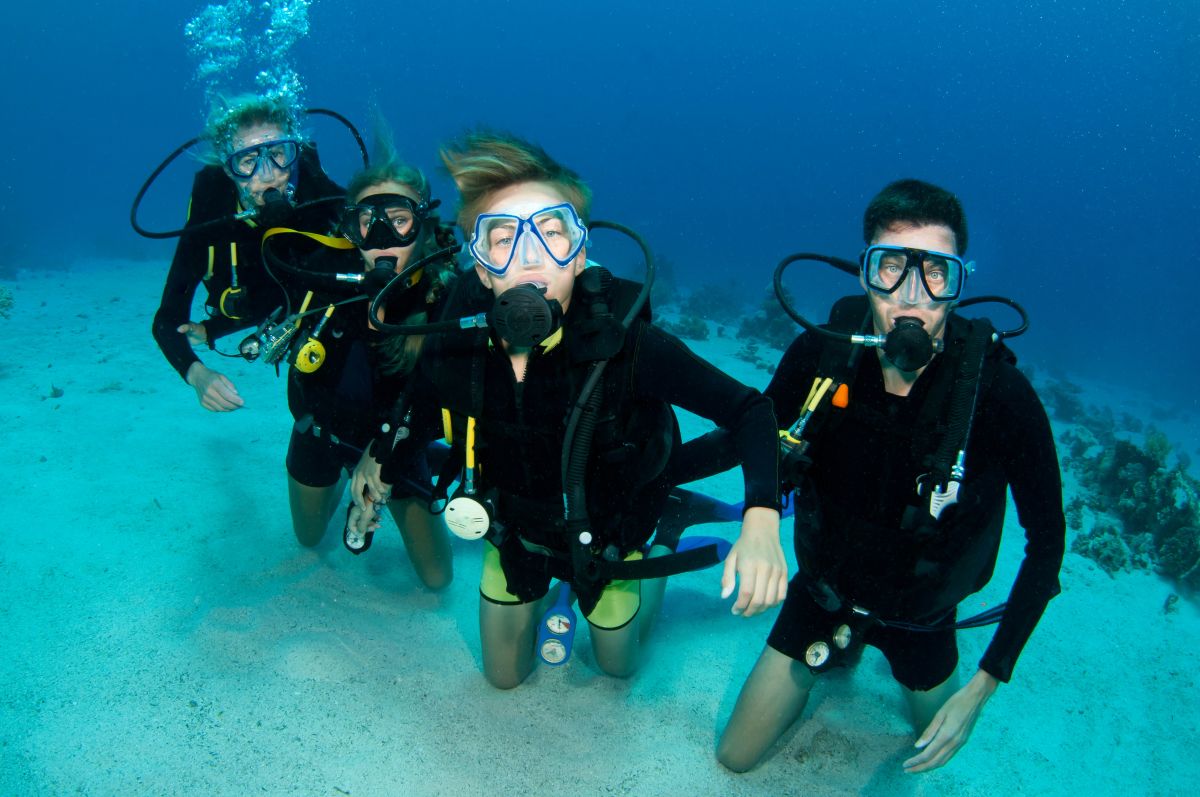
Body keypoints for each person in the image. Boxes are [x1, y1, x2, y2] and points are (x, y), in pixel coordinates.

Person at [353, 132, 788, 688]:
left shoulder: (630, 345)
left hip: (612, 537)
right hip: (516, 533)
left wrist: (761, 520)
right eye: (503, 239)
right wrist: (379, 456)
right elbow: (419, 403)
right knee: (503, 679)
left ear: (579, 255)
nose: (530, 258)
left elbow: (751, 410)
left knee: (618, 667)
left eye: (552, 233)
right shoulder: (457, 341)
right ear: (481, 268)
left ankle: (668, 528)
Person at [692, 179, 1065, 773]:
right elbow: (755, 433)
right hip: (823, 594)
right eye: (891, 267)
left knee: (933, 752)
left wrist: (986, 683)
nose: (911, 295)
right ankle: (841, 647)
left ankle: (886, 655)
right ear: (865, 273)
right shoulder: (824, 354)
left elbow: (1047, 546)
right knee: (735, 757)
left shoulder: (999, 395)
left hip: (923, 617)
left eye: (936, 273)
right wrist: (664, 479)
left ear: (958, 282)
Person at [263, 144, 456, 588]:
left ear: (422, 225)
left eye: (399, 219)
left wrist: (385, 452)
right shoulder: (325, 277)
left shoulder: (448, 296)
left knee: (437, 579)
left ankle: (427, 460)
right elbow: (301, 385)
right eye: (369, 221)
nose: (383, 236)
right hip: (323, 434)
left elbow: (450, 396)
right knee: (309, 538)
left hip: (398, 445)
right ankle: (347, 487)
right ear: (351, 228)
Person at [150, 94, 342, 412]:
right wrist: (198, 375)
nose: (267, 175)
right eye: (248, 160)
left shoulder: (320, 200)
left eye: (278, 153)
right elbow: (167, 320)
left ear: (293, 154)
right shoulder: (211, 219)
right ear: (229, 169)